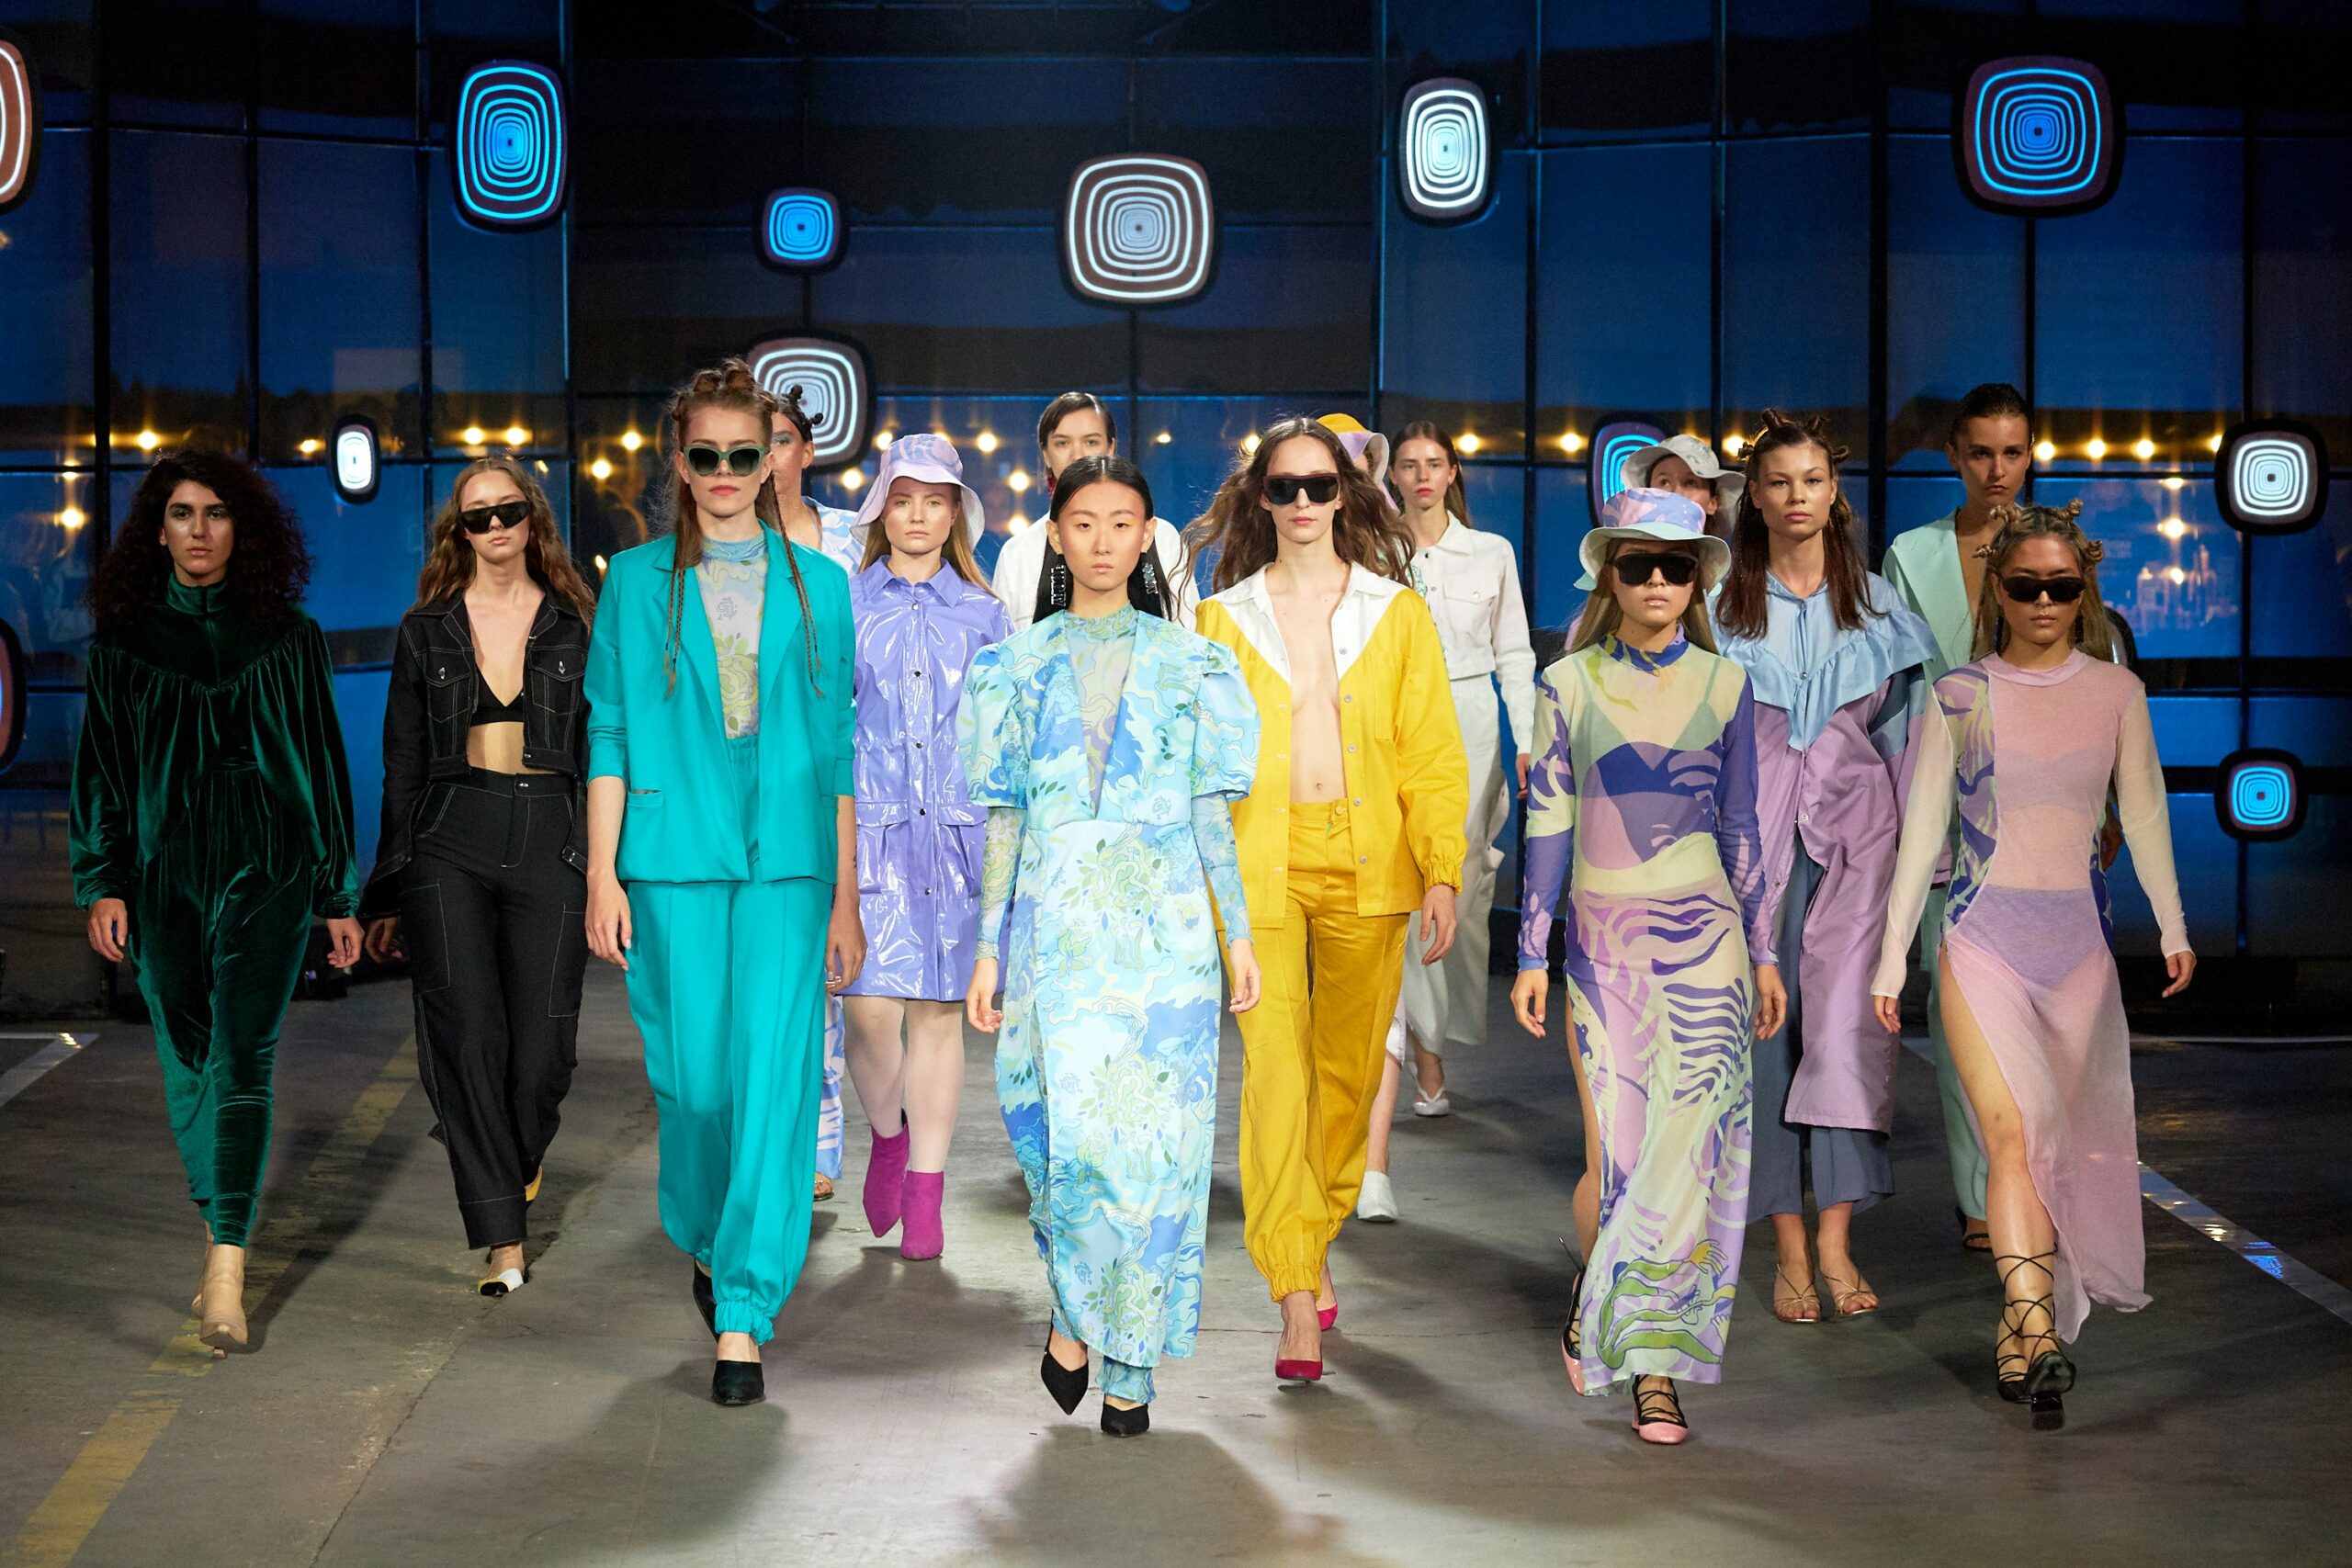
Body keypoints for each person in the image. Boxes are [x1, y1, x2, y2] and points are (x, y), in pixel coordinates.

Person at [1873, 500, 2193, 1430]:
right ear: (1998, 591)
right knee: (2011, 1138)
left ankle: (2023, 1339)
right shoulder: (1958, 695)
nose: (2045, 600)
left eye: (2062, 585)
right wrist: (1894, 958)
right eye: (2026, 585)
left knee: (2051, 1145)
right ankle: (2033, 1326)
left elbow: (2140, 817)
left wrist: (2172, 927)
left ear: (2082, 587)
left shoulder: (2115, 695)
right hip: (1981, 941)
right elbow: (1921, 834)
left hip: (2080, 953)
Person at [962, 454, 1261, 1437]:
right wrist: (986, 952)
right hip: (1055, 933)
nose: (1100, 540)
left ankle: (1129, 1360)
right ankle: (1071, 1307)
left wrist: (1239, 934)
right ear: (1055, 535)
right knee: (1053, 1140)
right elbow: (1004, 818)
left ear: (1146, 539)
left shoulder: (1194, 665)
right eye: (1081, 521)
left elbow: (1212, 809)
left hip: (1165, 937)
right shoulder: (1011, 663)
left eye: (1120, 522)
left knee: (1152, 1157)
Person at [583, 359, 863, 1407]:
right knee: (694, 1084)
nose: (726, 472)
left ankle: (744, 1310)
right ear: (680, 460)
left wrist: (844, 897)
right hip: (671, 854)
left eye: (745, 454)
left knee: (775, 1082)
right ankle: (706, 1236)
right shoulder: (633, 580)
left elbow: (837, 745)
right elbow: (607, 729)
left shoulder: (822, 585)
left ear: (775, 461)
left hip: (789, 859)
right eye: (705, 455)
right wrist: (602, 874)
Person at [1190, 418, 1467, 1383]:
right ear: (1258, 500)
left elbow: (1432, 752)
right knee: (1274, 1075)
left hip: (1370, 864)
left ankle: (1309, 1229)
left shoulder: (1396, 614)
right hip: (1257, 864)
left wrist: (1441, 868)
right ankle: (1295, 1293)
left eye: (1318, 485)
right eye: (1283, 488)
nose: (1302, 502)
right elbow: (1198, 764)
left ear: (1345, 495)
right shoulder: (1219, 618)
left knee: (1348, 1078)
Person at [1509, 488, 1785, 1445]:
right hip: (1601, 946)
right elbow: (1546, 816)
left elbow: (1744, 826)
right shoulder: (1567, 683)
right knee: (1624, 1155)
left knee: (1689, 1156)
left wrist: (1762, 948)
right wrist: (1530, 948)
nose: (1659, 581)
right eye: (1639, 564)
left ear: (1700, 576)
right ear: (1609, 576)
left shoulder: (1725, 686)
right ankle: (1609, 1317)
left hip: (1706, 942)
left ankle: (1650, 1366)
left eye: (1677, 565)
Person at [72, 450, 363, 1355]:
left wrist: (337, 893)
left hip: (267, 871)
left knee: (242, 1058)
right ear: (156, 530)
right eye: (183, 513)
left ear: (246, 529)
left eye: (217, 513)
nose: (200, 530)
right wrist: (103, 881)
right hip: (163, 881)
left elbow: (321, 766)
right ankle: (219, 1235)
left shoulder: (288, 639)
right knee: (188, 1058)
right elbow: (102, 779)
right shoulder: (121, 652)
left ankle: (228, 1265)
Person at [1709, 413, 1937, 1325]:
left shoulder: (1881, 613)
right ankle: (1788, 1248)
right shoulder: (1718, 612)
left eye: (1812, 479)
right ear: (1753, 496)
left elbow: (1912, 759)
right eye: (1779, 481)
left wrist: (1919, 879)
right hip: (1747, 857)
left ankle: (1837, 1242)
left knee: (1848, 1037)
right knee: (1760, 1045)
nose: (1797, 495)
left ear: (1832, 492)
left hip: (1857, 848)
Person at [361, 459, 597, 1296]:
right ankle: (504, 1240)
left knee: (543, 1051)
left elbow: (607, 748)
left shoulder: (578, 621)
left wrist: (611, 865)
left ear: (532, 518)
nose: (494, 527)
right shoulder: (425, 629)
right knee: (466, 1035)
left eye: (507, 511)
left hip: (551, 836)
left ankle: (512, 1163)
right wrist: (387, 885)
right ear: (458, 533)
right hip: (448, 837)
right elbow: (400, 763)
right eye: (477, 518)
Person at [1355, 421, 1536, 1224]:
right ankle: (1412, 1053)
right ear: (1390, 473)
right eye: (1408, 464)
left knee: (1454, 890)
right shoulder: (1373, 548)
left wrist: (1527, 742)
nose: (1421, 475)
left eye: (1434, 463)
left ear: (1453, 470)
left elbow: (1517, 655)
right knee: (1397, 888)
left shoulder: (1489, 552)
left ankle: (1428, 1044)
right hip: (1390, 719)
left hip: (1467, 720)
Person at [840, 434, 1010, 1259]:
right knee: (868, 1011)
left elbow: (1002, 735)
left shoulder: (984, 614)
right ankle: (888, 1133)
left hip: (954, 836)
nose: (917, 515)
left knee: (940, 1014)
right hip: (868, 833)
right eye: (903, 499)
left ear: (956, 514)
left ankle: (931, 1190)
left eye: (935, 501)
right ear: (881, 509)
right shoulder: (843, 604)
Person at [1881, 382, 2036, 1255]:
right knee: (1955, 1002)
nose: (1998, 469)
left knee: (2039, 1003)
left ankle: (2028, 1180)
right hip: (1945, 808)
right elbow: (1902, 695)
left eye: (2012, 452)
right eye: (1982, 452)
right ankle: (1981, 1196)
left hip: (2041, 803)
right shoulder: (1914, 553)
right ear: (1955, 455)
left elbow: (2089, 670)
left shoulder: (2058, 547)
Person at [768, 387, 868, 1207]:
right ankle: (772, 1130)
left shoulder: (847, 541)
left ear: (807, 449)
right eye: (751, 441)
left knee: (825, 959)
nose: (766, 456)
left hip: (838, 764)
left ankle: (822, 1136)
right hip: (749, 773)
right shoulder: (716, 547)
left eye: (780, 439)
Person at [990, 392, 1196, 631]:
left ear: (1111, 447)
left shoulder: (1163, 537)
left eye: (1091, 442)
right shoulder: (1018, 553)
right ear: (1045, 454)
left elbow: (1189, 636)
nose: (1077, 456)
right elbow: (1006, 651)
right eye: (1062, 443)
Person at [1621, 433, 1745, 542]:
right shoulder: (1629, 559)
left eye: (1690, 483)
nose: (1676, 493)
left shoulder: (1728, 567)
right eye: (1664, 482)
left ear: (1712, 504)